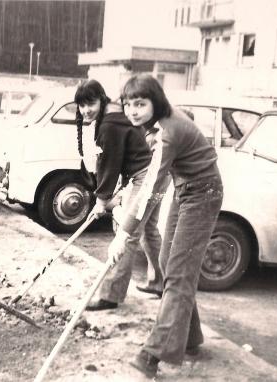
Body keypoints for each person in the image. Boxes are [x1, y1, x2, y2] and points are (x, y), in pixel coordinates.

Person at [114, 74, 223, 378]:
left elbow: (150, 189)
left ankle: (154, 354)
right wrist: (134, 216)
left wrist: (123, 234)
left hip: (203, 194)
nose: (133, 110)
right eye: (128, 104)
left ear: (155, 101)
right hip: (185, 188)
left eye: (140, 103)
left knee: (178, 272)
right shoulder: (159, 124)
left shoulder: (167, 132)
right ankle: (190, 338)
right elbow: (157, 184)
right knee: (168, 263)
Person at [73, 79, 164, 312]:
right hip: (153, 173)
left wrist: (101, 201)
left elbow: (110, 165)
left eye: (90, 103)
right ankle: (160, 282)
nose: (86, 110)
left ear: (101, 99)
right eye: (81, 105)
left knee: (128, 233)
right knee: (149, 231)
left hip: (147, 176)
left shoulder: (109, 125)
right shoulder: (111, 116)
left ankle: (110, 295)